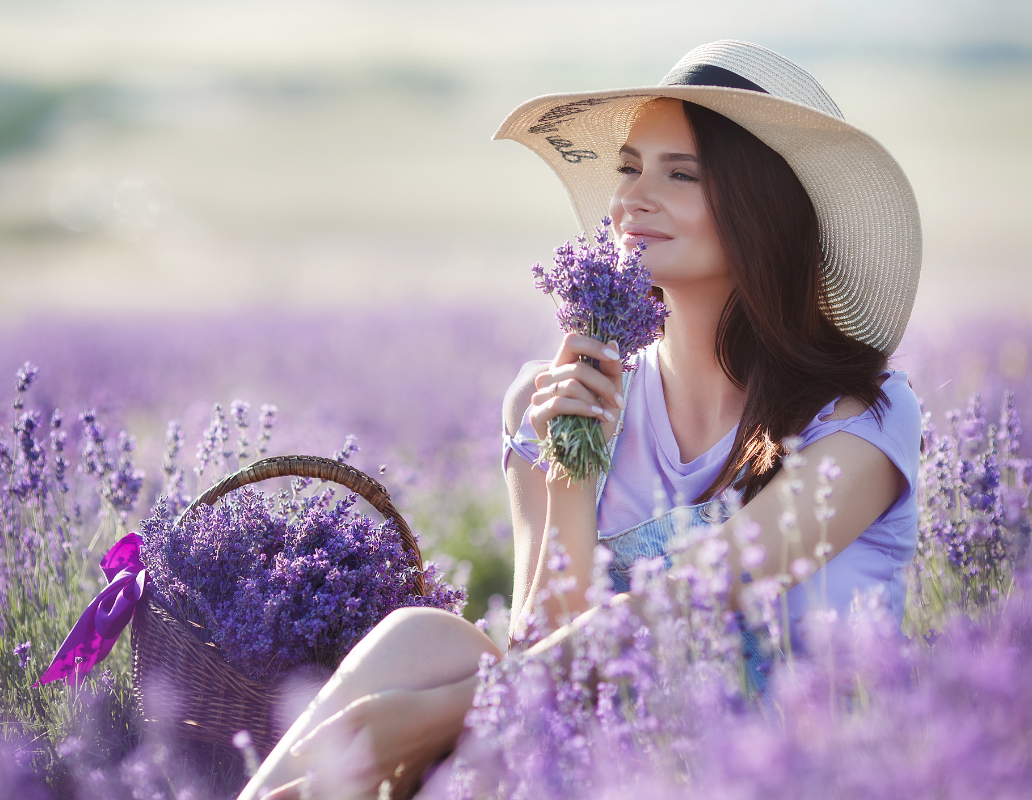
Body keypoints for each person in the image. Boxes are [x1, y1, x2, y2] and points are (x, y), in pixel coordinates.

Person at [240, 40, 922, 800]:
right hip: (597, 762)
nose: (633, 197)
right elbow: (543, 650)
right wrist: (574, 465)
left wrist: (422, 717)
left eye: (682, 174)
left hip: (773, 772)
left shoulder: (859, 416)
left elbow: (696, 596)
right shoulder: (555, 398)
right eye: (629, 167)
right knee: (423, 640)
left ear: (764, 212)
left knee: (484, 740)